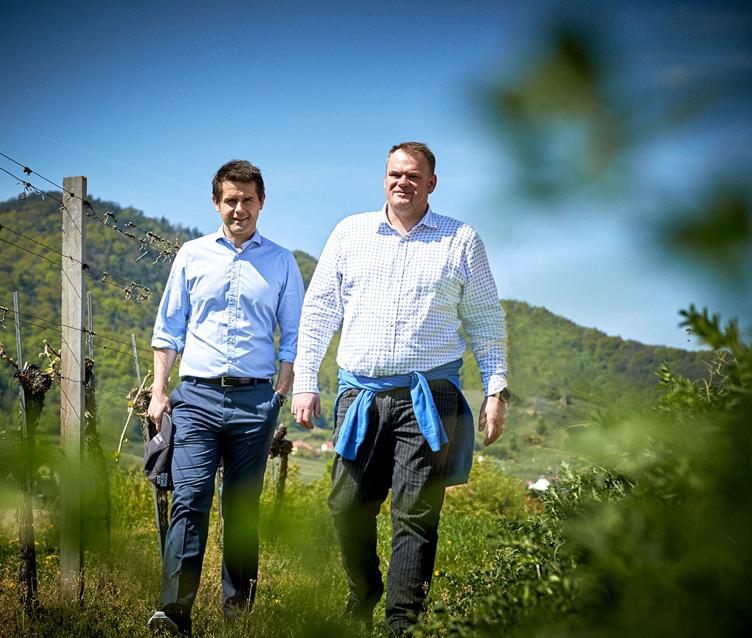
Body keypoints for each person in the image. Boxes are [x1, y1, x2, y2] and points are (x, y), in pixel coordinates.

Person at [292, 141, 509, 636]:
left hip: (430, 398)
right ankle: (364, 590)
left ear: (432, 183)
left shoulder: (460, 240)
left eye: (413, 175)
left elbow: (485, 321)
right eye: (395, 174)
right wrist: (306, 381)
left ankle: (400, 623)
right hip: (360, 396)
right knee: (346, 505)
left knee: (415, 514)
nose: (402, 182)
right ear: (383, 178)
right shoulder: (350, 232)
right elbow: (320, 312)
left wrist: (496, 388)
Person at [146, 160, 304, 636]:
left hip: (255, 402)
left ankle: (238, 618)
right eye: (231, 200)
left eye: (248, 200)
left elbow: (294, 335)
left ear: (262, 203)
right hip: (194, 398)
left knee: (241, 509)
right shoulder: (192, 256)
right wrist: (159, 392)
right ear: (216, 203)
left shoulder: (281, 261)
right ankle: (173, 615)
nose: (240, 209)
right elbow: (168, 329)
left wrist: (279, 393)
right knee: (189, 501)